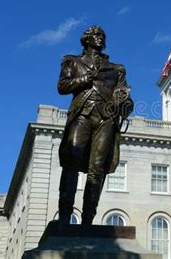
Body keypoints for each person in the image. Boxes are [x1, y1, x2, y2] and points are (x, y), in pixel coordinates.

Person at [56, 25, 133, 226]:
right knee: (72, 162)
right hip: (81, 114)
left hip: (106, 118)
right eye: (97, 35)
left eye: (103, 36)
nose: (101, 38)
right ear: (87, 39)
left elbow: (125, 96)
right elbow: (62, 87)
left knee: (97, 168)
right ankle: (64, 215)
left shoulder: (117, 69)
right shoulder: (72, 61)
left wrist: (124, 104)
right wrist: (85, 79)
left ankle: (88, 219)